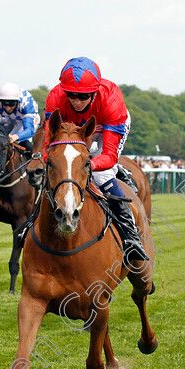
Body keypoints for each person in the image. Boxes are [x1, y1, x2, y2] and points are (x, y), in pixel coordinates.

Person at [41, 56, 148, 263]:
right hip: (73, 128)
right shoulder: (55, 98)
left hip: (106, 125)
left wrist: (87, 165)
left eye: (83, 96)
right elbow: (48, 145)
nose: (77, 101)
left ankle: (130, 234)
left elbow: (107, 155)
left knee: (102, 172)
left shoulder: (111, 100)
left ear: (94, 92)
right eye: (71, 95)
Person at [0, 82, 40, 153]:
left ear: (17, 101)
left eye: (11, 104)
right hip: (9, 119)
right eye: (5, 104)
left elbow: (29, 130)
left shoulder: (26, 103)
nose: (8, 108)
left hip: (28, 119)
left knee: (24, 142)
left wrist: (16, 136)